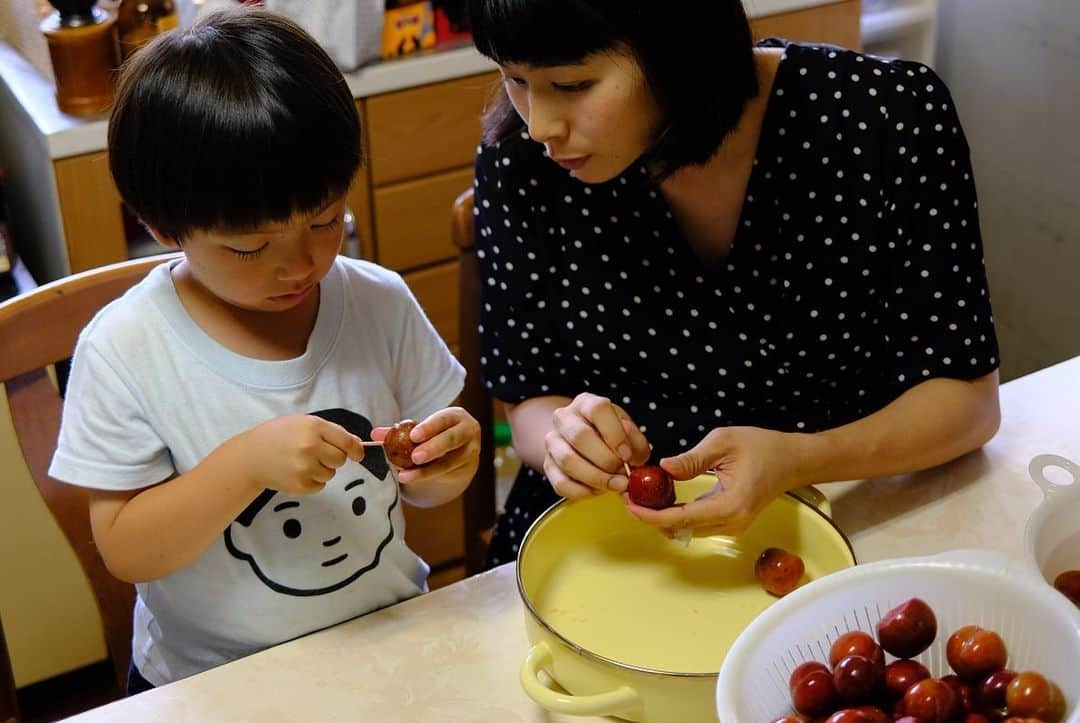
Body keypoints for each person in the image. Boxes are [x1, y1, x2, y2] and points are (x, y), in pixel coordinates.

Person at [467, 0, 1001, 568]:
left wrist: (801, 458)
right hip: (613, 540)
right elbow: (527, 398)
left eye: (572, 84)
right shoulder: (518, 163)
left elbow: (966, 403)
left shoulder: (884, 118)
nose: (540, 125)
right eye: (515, 79)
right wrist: (568, 440)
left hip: (839, 515)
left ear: (678, 48)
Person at [48, 9, 480, 692]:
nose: (298, 264)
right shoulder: (124, 349)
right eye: (249, 246)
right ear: (162, 226)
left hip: (386, 642)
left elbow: (432, 486)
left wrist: (442, 463)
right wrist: (245, 464)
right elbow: (128, 549)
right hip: (213, 679)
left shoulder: (378, 300)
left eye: (324, 219)